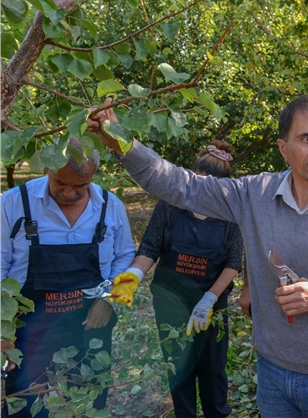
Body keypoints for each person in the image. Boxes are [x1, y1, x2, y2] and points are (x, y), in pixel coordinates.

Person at [88, 95, 308, 417]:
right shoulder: (255, 195)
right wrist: (120, 140)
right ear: (283, 148)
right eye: (306, 138)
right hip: (272, 374)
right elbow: (180, 186)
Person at [1, 137, 136, 417]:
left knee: (90, 395)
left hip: (89, 322)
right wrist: (3, 332)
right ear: (48, 169)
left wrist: (108, 300)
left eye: (80, 186)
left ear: (93, 176)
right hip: (28, 326)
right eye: (60, 183)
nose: (69, 193)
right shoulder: (13, 204)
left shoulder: (111, 206)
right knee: (24, 399)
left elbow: (125, 256)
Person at [114, 141, 243, 417]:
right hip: (170, 302)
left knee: (213, 369)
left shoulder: (232, 213)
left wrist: (209, 299)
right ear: (192, 178)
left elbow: (233, 262)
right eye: (198, 186)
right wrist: (133, 275)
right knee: (178, 367)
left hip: (211, 305)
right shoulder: (171, 205)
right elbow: (150, 247)